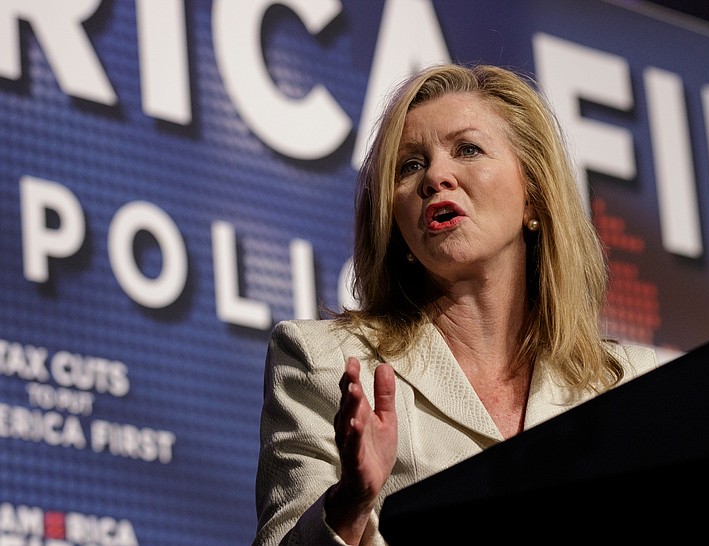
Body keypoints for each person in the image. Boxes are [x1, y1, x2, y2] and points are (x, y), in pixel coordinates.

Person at [251, 62, 659, 546]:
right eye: (411, 166)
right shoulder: (326, 363)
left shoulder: (622, 383)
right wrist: (349, 505)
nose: (436, 177)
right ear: (395, 225)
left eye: (468, 149)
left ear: (533, 200)